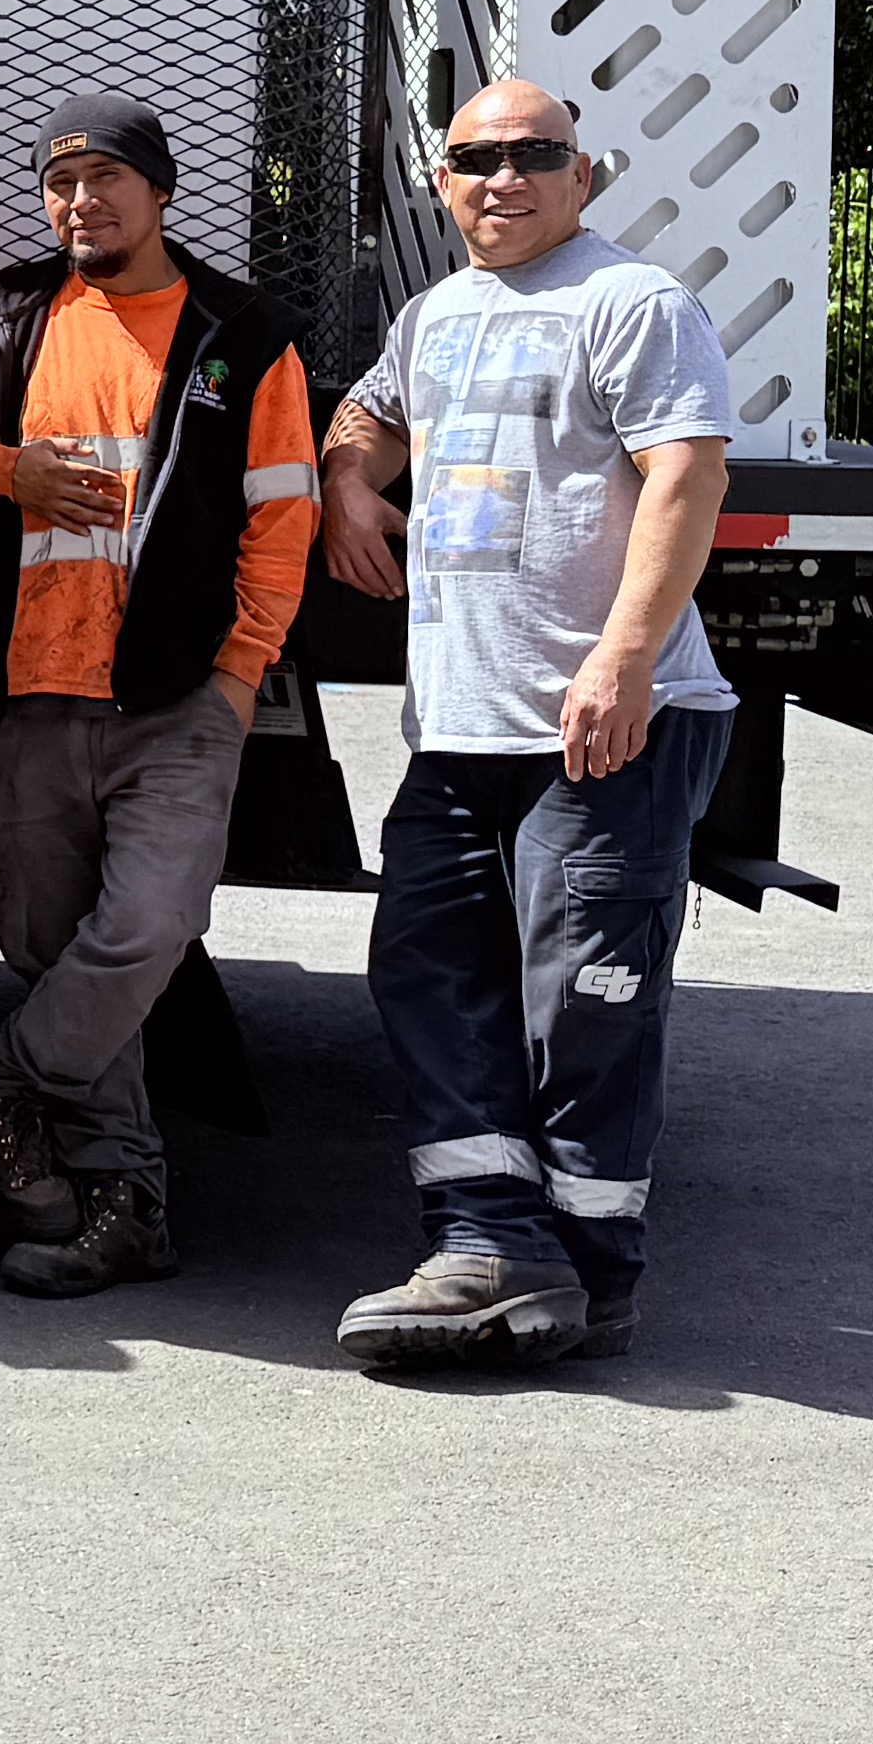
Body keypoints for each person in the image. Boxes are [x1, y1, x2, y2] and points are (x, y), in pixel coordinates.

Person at [314, 85, 740, 1370]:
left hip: (607, 724)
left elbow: (689, 473)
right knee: (426, 973)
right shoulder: (436, 315)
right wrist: (346, 482)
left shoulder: (632, 303)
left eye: (533, 157)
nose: (503, 180)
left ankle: (590, 1272)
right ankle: (491, 1239)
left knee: (587, 1001)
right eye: (474, 160)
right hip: (459, 730)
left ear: (583, 175)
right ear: (442, 182)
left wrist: (623, 659)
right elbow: (372, 413)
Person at [0, 94, 317, 1302]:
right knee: (46, 948)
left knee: (146, 927)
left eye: (106, 181)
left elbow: (283, 516)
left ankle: (3, 1074)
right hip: (30, 695)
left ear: (160, 190)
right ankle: (123, 1200)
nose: (81, 203)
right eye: (61, 184)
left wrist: (242, 675)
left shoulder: (243, 335)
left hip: (175, 700)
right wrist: (9, 469)